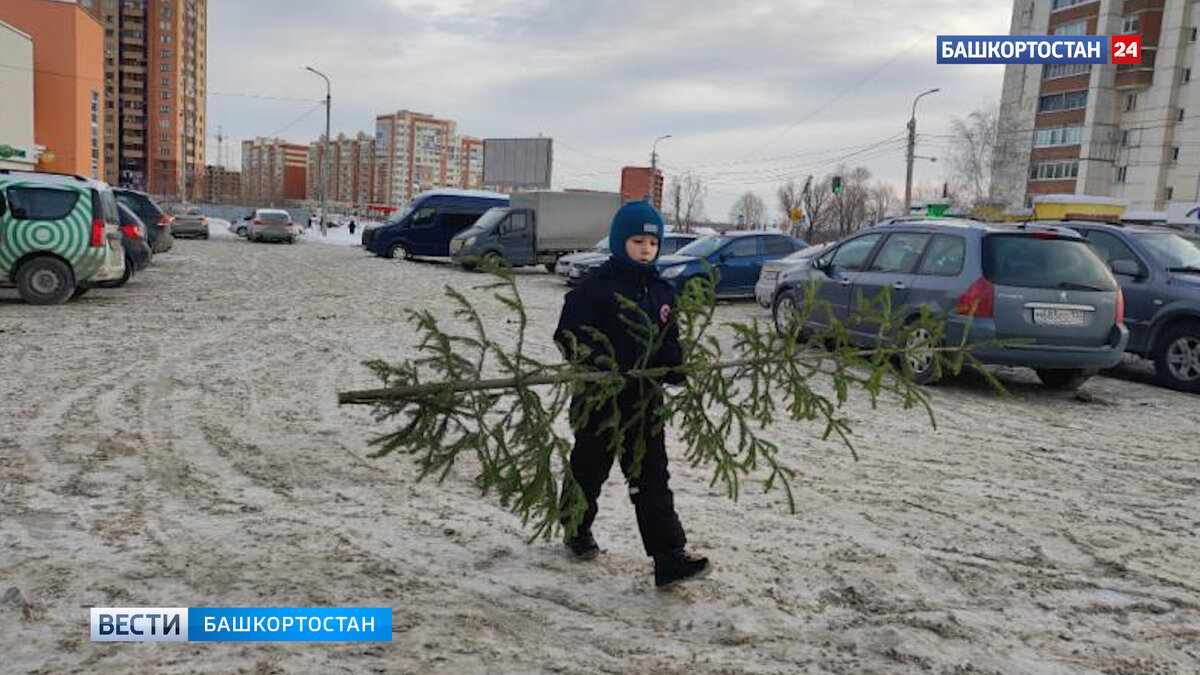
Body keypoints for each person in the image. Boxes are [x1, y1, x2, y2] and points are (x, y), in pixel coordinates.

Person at [553, 201, 710, 589]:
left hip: (644, 403)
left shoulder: (661, 290)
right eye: (637, 240)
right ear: (621, 242)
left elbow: (668, 337)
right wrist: (598, 363)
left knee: (652, 476)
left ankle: (668, 557)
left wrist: (674, 364)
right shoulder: (594, 289)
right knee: (589, 470)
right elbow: (568, 336)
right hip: (600, 402)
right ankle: (576, 528)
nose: (645, 249)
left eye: (652, 242)